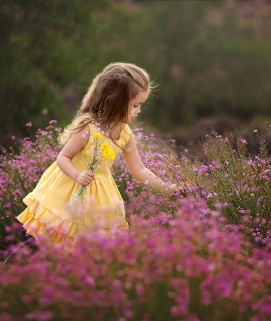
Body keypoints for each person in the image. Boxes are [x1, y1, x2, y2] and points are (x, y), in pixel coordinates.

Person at [17, 62, 176, 244]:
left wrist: (166, 188)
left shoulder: (124, 134)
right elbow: (63, 157)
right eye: (135, 105)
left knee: (91, 242)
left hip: (100, 197)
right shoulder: (88, 129)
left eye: (140, 105)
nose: (138, 111)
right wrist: (77, 174)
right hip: (68, 189)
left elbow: (139, 170)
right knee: (58, 233)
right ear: (115, 101)